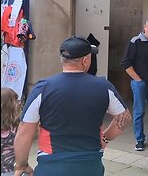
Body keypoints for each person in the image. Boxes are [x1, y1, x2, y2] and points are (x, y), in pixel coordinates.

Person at [13, 36, 131, 176]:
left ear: (62, 59)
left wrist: (21, 164)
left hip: (52, 166)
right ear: (85, 60)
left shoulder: (43, 88)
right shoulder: (104, 87)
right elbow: (124, 117)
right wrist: (105, 138)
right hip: (90, 166)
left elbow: (24, 130)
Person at [120, 18, 148, 151]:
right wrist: (138, 79)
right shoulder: (135, 42)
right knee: (139, 111)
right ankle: (139, 140)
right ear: (145, 27)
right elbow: (125, 63)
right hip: (139, 83)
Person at [1, 88, 20, 176]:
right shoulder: (16, 126)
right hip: (11, 170)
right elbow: (21, 151)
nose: (18, 104)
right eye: (16, 101)